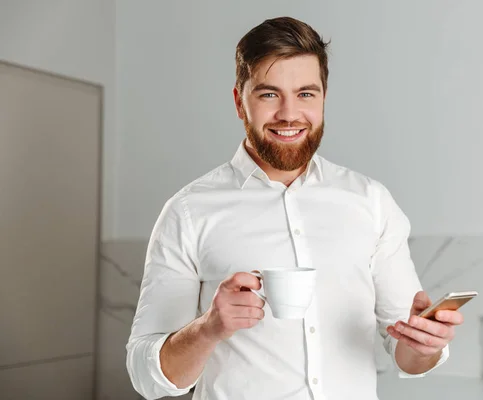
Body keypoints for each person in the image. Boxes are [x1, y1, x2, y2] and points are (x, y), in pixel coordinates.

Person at [126, 16, 464, 400]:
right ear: (240, 102)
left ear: (323, 98)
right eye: (269, 94)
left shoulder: (370, 201)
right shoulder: (188, 211)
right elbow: (146, 375)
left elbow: (406, 352)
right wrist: (209, 328)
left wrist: (426, 342)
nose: (289, 114)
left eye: (306, 93)